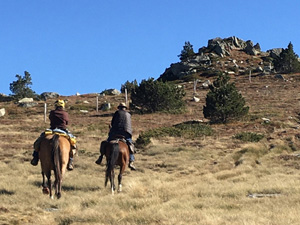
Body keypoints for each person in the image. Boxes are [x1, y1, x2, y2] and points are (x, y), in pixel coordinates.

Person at [30, 99, 76, 170]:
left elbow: (51, 119)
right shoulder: (65, 114)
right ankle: (71, 160)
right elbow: (67, 123)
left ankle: (35, 157)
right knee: (73, 144)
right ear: (63, 106)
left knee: (38, 141)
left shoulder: (52, 112)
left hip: (52, 130)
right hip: (63, 130)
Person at [95, 102, 136, 170]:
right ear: (125, 108)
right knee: (130, 145)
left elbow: (112, 123)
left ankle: (101, 157)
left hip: (115, 132)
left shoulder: (117, 113)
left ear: (119, 108)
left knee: (106, 142)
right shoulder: (128, 114)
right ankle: (131, 161)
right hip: (126, 132)